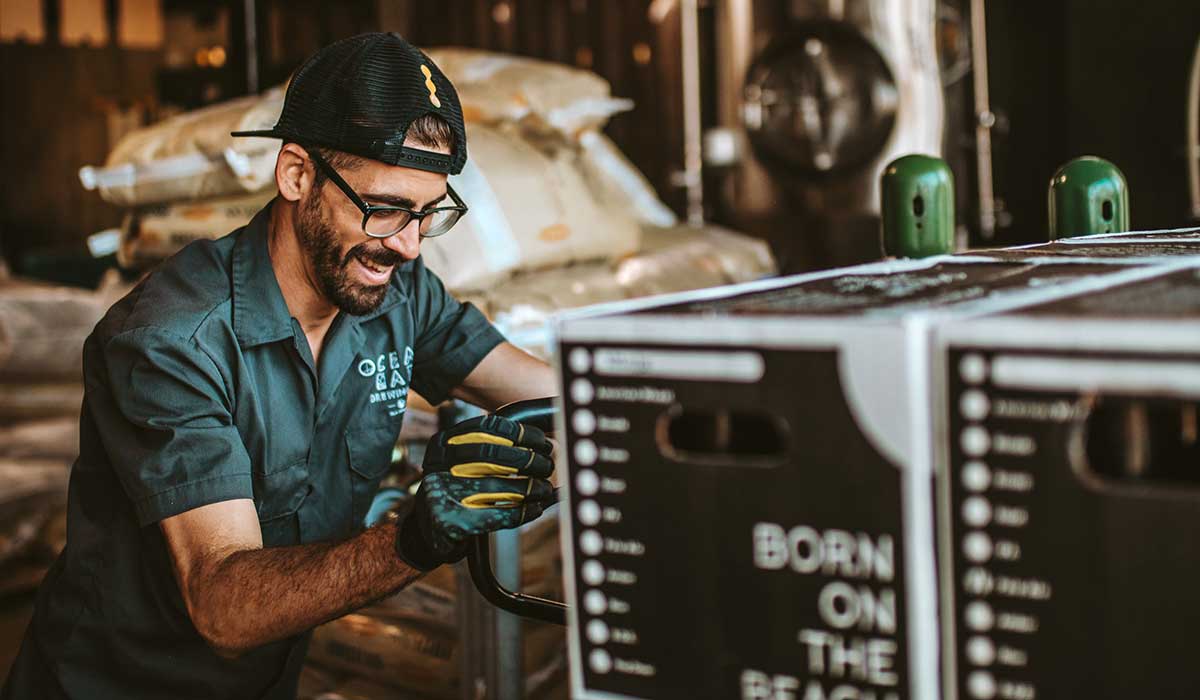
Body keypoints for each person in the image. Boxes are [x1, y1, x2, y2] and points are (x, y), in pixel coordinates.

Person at [2, 33, 558, 699]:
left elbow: (549, 391)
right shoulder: (172, 340)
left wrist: (667, 395)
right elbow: (222, 602)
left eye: (428, 213)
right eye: (384, 210)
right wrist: (412, 538)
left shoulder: (391, 290)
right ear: (296, 174)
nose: (409, 245)